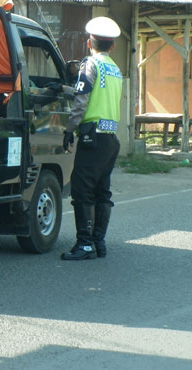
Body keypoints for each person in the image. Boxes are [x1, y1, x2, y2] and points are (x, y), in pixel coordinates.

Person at [61, 16, 123, 261]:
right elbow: (97, 94)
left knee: (82, 190)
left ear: (89, 43)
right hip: (110, 138)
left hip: (91, 135)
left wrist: (69, 129)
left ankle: (84, 244)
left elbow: (82, 100)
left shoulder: (90, 64)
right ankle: (99, 242)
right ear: (113, 46)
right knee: (102, 191)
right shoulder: (115, 69)